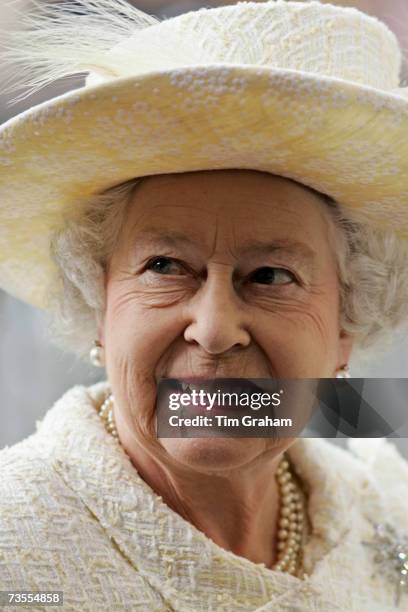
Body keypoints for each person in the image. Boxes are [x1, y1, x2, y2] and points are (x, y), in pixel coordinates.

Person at [0, 1, 408, 610]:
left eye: (271, 275)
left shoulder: (385, 509)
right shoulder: (15, 548)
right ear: (98, 302)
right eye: (164, 267)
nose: (215, 330)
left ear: (347, 323)